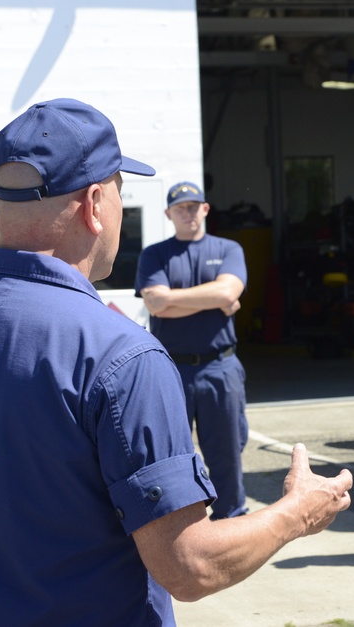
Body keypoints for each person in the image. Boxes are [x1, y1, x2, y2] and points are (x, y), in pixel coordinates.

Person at [0, 98, 352, 626]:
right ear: (95, 203)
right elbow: (189, 567)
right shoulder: (122, 356)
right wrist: (295, 513)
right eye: (120, 189)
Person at [135, 182, 249, 520]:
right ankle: (180, 523)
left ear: (206, 209)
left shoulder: (228, 249)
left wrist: (175, 299)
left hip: (220, 368)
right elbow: (155, 303)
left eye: (194, 205)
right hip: (172, 369)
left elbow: (228, 293)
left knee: (227, 452)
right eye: (180, 207)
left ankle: (230, 518)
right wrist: (213, 298)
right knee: (171, 455)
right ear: (169, 214)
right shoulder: (155, 254)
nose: (188, 212)